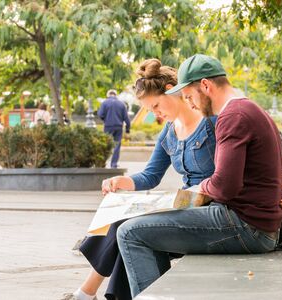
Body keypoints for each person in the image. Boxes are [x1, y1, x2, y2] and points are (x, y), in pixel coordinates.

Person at [116, 54, 282, 298]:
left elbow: (224, 186)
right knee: (143, 228)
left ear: (206, 86)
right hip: (256, 223)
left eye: (189, 96)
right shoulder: (249, 108)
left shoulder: (232, 116)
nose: (191, 104)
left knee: (130, 233)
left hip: (245, 226)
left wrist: (197, 189)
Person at [66, 59, 217, 300]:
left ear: (171, 91)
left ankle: (86, 293)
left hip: (209, 206)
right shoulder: (168, 132)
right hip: (186, 202)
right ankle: (88, 293)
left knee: (127, 228)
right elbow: (150, 175)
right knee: (123, 222)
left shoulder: (211, 122)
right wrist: (121, 182)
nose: (156, 114)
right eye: (151, 111)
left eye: (157, 106)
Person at [97, 89, 131, 169]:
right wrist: (127, 129)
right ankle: (113, 164)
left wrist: (105, 119)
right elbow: (126, 118)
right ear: (116, 95)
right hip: (118, 127)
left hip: (108, 127)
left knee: (105, 145)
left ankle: (103, 163)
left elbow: (100, 114)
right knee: (117, 145)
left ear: (108, 95)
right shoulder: (121, 104)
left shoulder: (104, 103)